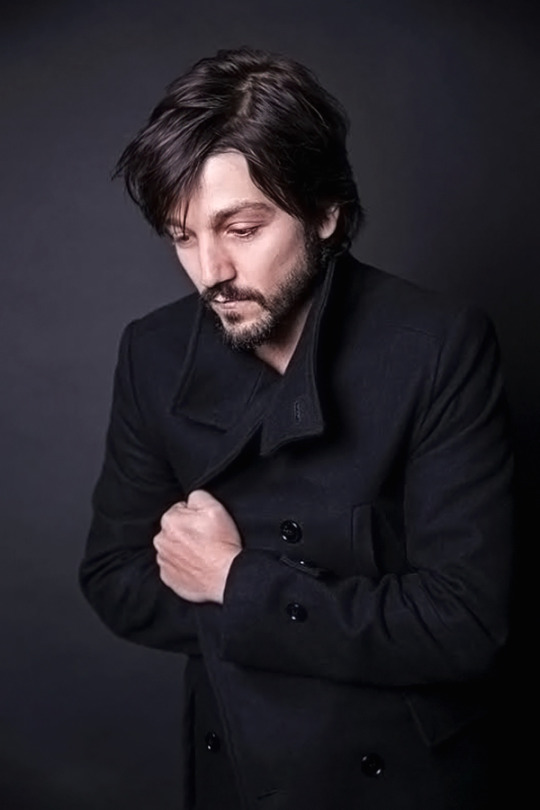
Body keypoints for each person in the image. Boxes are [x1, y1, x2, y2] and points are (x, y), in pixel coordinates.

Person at [79, 47, 514, 810]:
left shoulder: (437, 346)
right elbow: (116, 579)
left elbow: (465, 624)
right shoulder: (153, 352)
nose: (210, 271)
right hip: (240, 773)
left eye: (242, 228)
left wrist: (235, 580)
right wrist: (338, 617)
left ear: (325, 211)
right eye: (182, 236)